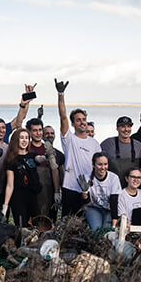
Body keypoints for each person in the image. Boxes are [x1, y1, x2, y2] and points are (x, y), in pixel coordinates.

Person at [55, 78, 101, 216]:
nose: (82, 122)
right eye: (78, 120)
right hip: (70, 188)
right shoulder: (69, 139)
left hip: (88, 189)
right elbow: (63, 117)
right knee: (67, 224)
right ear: (73, 124)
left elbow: (99, 166)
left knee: (85, 224)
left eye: (84, 120)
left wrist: (93, 184)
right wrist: (61, 95)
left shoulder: (94, 143)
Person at [100, 116, 141, 188]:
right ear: (117, 128)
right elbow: (96, 162)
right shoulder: (108, 144)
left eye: (128, 126)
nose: (126, 129)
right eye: (123, 126)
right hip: (111, 188)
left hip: (131, 190)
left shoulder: (137, 145)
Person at [2, 129, 42, 226]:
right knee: (21, 225)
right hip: (18, 197)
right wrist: (5, 205)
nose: (24, 140)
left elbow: (39, 159)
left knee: (36, 224)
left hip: (32, 195)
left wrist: (48, 156)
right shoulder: (11, 160)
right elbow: (10, 185)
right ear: (16, 140)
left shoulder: (32, 156)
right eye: (21, 138)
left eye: (27, 138)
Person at [27, 117, 61, 218]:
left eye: (40, 130)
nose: (38, 133)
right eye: (35, 130)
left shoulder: (48, 148)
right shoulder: (26, 147)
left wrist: (56, 192)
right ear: (29, 132)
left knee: (46, 218)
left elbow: (54, 170)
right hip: (29, 190)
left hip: (46, 189)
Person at [78, 152, 121, 230]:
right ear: (93, 165)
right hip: (93, 208)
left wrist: (114, 225)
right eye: (100, 164)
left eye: (105, 164)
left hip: (109, 210)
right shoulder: (87, 178)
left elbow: (114, 201)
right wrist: (84, 193)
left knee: (106, 231)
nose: (103, 167)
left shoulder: (113, 178)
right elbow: (85, 202)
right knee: (96, 231)